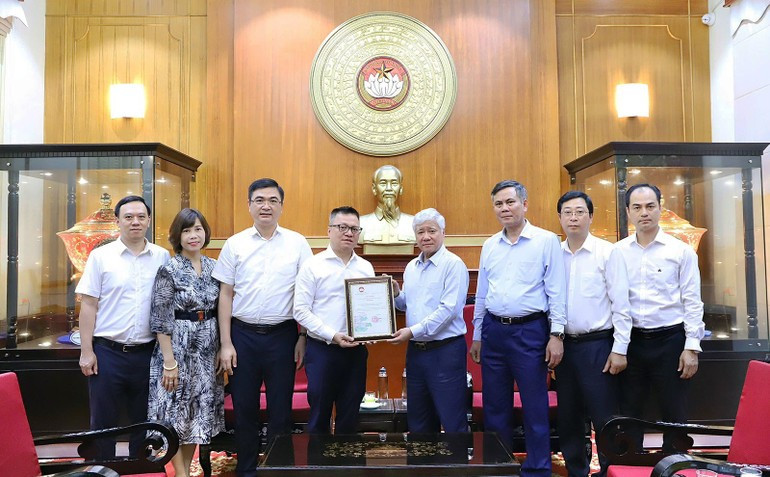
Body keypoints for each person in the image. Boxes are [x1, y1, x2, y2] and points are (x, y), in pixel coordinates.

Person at [212, 178, 312, 477]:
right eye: (259, 200)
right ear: (249, 205)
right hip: (242, 336)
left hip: (283, 335)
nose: (265, 205)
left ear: (281, 206)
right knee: (245, 409)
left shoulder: (297, 243)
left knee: (281, 410)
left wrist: (303, 336)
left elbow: (305, 294)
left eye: (272, 200)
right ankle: (247, 471)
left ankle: (280, 469)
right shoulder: (235, 244)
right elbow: (225, 295)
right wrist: (226, 343)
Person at [469, 180, 566, 477]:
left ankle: (537, 470)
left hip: (530, 331)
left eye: (510, 202)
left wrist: (556, 334)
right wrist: (477, 334)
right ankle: (501, 468)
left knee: (534, 405)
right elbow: (483, 293)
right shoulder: (489, 245)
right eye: (498, 204)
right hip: (494, 332)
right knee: (495, 407)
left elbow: (556, 291)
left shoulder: (546, 240)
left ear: (525, 204)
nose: (504, 208)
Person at [76, 195, 170, 459]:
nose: (135, 222)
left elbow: (165, 307)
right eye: (128, 217)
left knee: (145, 419)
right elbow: (89, 305)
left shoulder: (161, 256)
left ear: (149, 221)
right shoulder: (100, 256)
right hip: (108, 353)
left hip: (148, 353)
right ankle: (103, 468)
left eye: (141, 217)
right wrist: (86, 351)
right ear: (118, 222)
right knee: (104, 420)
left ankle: (140, 468)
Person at [616, 183, 704, 451]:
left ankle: (674, 464)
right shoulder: (617, 252)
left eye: (650, 206)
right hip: (631, 340)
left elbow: (692, 301)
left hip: (670, 340)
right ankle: (629, 462)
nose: (644, 213)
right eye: (637, 207)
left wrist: (691, 347)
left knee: (674, 409)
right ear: (628, 212)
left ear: (660, 208)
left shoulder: (681, 251)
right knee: (630, 409)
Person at [555, 191, 632, 477]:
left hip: (599, 345)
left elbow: (622, 305)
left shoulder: (608, 252)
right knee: (569, 416)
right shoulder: (554, 254)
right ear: (560, 217)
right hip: (564, 347)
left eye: (579, 212)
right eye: (567, 212)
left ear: (590, 216)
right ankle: (577, 470)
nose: (573, 218)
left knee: (605, 417)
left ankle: (611, 471)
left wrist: (620, 348)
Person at [146, 208, 224, 477]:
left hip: (206, 349)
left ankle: (186, 471)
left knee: (196, 414)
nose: (194, 235)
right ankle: (179, 473)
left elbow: (223, 308)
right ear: (177, 235)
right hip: (177, 347)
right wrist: (169, 362)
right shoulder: (168, 268)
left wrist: (222, 346)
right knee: (174, 413)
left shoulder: (215, 267)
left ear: (206, 232)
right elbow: (160, 318)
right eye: (187, 230)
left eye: (198, 229)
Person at [387, 208, 470, 432]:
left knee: (452, 419)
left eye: (431, 231)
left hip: (445, 352)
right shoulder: (411, 267)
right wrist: (396, 295)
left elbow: (448, 310)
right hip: (416, 353)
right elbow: (408, 305)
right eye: (420, 232)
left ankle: (457, 467)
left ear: (443, 232)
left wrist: (412, 331)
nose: (426, 236)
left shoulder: (453, 265)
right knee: (419, 420)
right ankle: (424, 467)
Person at [294, 206, 375, 434]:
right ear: (329, 230)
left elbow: (370, 308)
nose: (348, 233)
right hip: (323, 351)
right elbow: (300, 310)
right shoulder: (313, 265)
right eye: (342, 227)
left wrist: (375, 331)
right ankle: (319, 468)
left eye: (354, 228)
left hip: (356, 353)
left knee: (350, 417)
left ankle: (347, 469)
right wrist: (333, 335)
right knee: (319, 415)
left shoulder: (365, 267)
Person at [359, 165, 415, 243]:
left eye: (394, 183)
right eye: (383, 183)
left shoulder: (414, 223)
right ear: (374, 189)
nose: (389, 188)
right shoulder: (361, 224)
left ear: (401, 188)